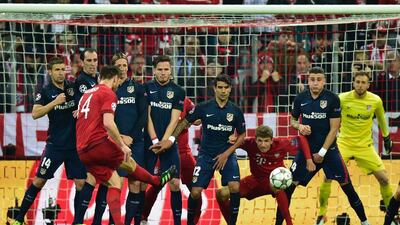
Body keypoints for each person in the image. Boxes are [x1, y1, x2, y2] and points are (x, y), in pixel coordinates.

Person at [72, 65, 176, 225]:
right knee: (129, 160)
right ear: (114, 78)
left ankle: (78, 222)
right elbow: (108, 122)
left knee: (115, 182)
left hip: (82, 150)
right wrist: (121, 144)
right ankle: (156, 181)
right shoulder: (108, 93)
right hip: (97, 143)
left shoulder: (87, 93)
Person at [275, 67, 371, 225]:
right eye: (312, 79)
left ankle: (365, 222)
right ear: (308, 80)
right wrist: (299, 127)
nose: (315, 83)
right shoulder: (300, 98)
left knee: (347, 187)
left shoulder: (332, 99)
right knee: (288, 188)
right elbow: (292, 120)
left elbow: (334, 129)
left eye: (319, 79)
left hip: (329, 151)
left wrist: (322, 152)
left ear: (324, 81)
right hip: (306, 152)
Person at [152, 74, 246, 225]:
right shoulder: (203, 108)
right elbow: (184, 123)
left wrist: (227, 153)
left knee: (235, 187)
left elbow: (242, 135)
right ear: (214, 89)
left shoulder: (235, 111)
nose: (223, 91)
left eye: (226, 88)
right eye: (220, 87)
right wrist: (170, 140)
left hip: (226, 155)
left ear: (230, 89)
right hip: (206, 155)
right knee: (195, 192)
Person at [12, 57, 86, 225]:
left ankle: (79, 222)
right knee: (39, 180)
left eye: (62, 69)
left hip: (74, 146)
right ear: (50, 72)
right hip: (55, 146)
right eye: (57, 70)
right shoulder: (45, 91)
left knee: (81, 183)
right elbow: (35, 113)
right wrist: (54, 102)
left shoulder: (73, 87)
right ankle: (18, 218)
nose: (61, 73)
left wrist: (79, 111)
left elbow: (85, 103)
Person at [315, 65, 393, 225]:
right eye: (357, 82)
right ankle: (321, 215)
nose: (360, 85)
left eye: (363, 82)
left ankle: (391, 216)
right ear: (353, 83)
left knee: (384, 179)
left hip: (365, 147)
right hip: (343, 144)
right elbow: (328, 116)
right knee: (327, 177)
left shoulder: (375, 100)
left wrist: (386, 138)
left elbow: (382, 120)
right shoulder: (342, 98)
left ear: (368, 84)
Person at [216, 125, 316, 225]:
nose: (263, 145)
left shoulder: (281, 144)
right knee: (221, 194)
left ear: (272, 140)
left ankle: (289, 223)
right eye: (260, 141)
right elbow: (231, 142)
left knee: (278, 184)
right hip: (255, 181)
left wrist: (308, 159)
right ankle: (231, 222)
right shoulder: (250, 144)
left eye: (266, 141)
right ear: (255, 140)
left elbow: (301, 139)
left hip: (273, 182)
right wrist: (231, 139)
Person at [141, 97, 202, 224]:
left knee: (196, 188)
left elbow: (199, 118)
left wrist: (192, 120)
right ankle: (143, 218)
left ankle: (194, 221)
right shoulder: (156, 100)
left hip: (184, 153)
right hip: (164, 152)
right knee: (156, 185)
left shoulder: (183, 100)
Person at [144, 55, 186, 225]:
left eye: (166, 69)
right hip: (149, 143)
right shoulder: (146, 88)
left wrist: (166, 141)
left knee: (175, 183)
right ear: (154, 71)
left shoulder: (178, 91)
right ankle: (140, 218)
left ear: (171, 70)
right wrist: (155, 140)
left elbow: (174, 120)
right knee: (140, 184)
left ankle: (177, 222)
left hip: (168, 144)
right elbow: (146, 116)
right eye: (160, 69)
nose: (163, 73)